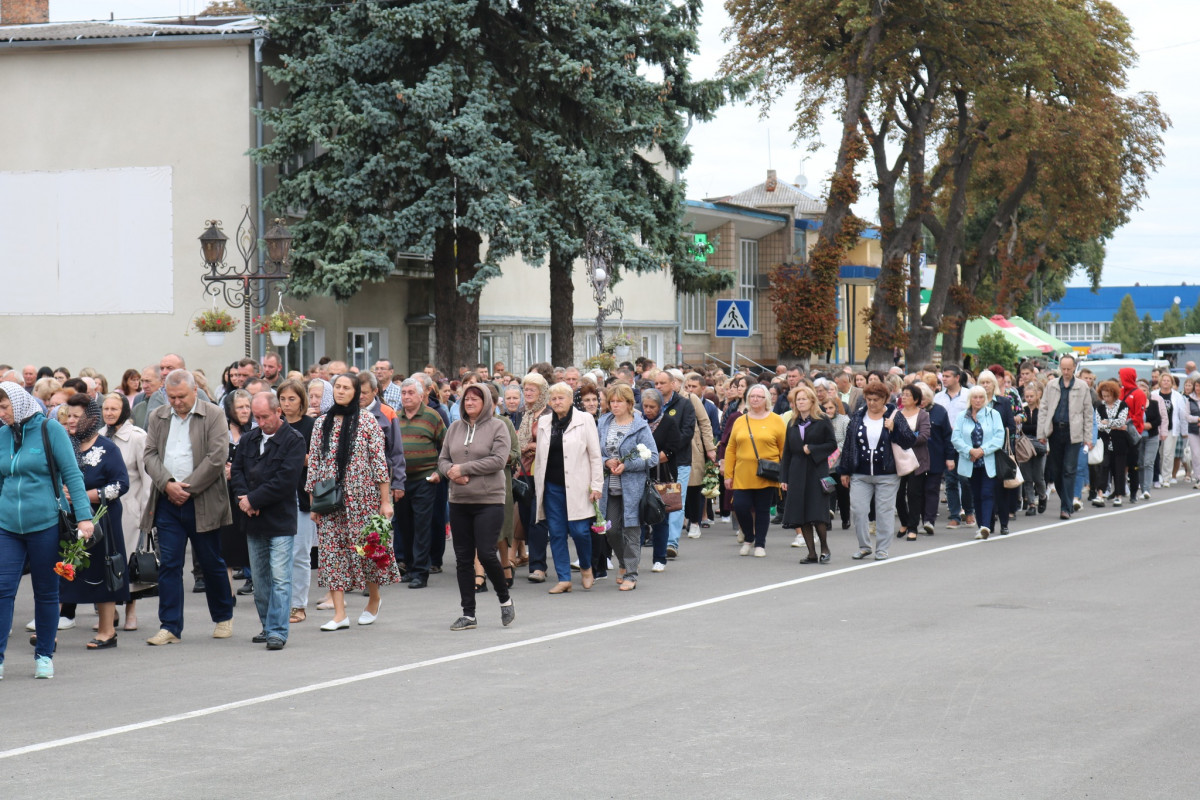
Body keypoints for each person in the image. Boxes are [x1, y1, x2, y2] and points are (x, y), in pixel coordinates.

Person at [0, 383, 95, 678]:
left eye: (4, 407)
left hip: (45, 523)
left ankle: (43, 654)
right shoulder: (1, 435)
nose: (0, 413)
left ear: (18, 402)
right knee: (3, 590)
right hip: (7, 526)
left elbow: (73, 476)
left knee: (46, 591)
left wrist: (84, 517)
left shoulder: (49, 430)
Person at [142, 369, 236, 646]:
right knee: (169, 564)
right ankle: (170, 626)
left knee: (211, 561)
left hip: (203, 500)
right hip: (167, 501)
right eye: (171, 396)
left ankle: (222, 616)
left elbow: (218, 457)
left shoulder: (214, 414)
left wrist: (188, 488)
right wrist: (168, 484)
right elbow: (150, 455)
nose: (176, 401)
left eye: (181, 396)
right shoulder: (157, 416)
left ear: (195, 391)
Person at [306, 374, 400, 630]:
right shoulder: (321, 423)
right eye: (337, 387)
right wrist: (313, 501)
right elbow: (313, 463)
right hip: (330, 500)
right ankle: (339, 614)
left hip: (364, 498)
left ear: (356, 392)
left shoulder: (367, 420)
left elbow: (380, 463)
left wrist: (385, 501)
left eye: (346, 387)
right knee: (332, 554)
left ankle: (374, 598)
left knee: (369, 551)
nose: (341, 391)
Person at [231, 392, 306, 650]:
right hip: (253, 520)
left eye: (265, 417)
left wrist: (253, 500)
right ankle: (266, 625)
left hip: (280, 520)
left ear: (278, 412)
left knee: (281, 578)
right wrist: (244, 500)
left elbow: (285, 481)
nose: (260, 422)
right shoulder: (249, 439)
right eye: (256, 417)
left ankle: (277, 631)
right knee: (261, 581)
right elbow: (237, 470)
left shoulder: (293, 440)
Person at [437, 384, 515, 630]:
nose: (469, 402)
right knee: (462, 558)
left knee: (486, 552)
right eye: (466, 399)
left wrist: (464, 468)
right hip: (459, 500)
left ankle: (504, 599)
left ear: (487, 403)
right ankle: (468, 614)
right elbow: (443, 459)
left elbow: (499, 460)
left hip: (488, 500)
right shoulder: (454, 428)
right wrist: (451, 472)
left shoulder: (498, 426)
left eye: (475, 399)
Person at [534, 382, 603, 594]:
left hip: (580, 486)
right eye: (553, 399)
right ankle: (564, 578)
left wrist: (597, 485)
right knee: (556, 533)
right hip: (552, 486)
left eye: (561, 398)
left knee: (580, 531)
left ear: (571, 400)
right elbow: (540, 456)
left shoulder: (585, 420)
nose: (557, 402)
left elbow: (595, 455)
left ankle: (585, 567)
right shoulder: (544, 421)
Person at [837, 381, 916, 559]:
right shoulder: (858, 416)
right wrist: (845, 470)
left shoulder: (894, 415)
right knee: (858, 510)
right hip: (860, 473)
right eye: (869, 399)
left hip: (887, 473)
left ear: (885, 399)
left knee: (884, 512)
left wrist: (894, 428)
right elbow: (850, 445)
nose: (872, 403)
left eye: (876, 399)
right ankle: (864, 546)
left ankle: (882, 548)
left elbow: (909, 440)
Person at [596, 384, 657, 590]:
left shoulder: (640, 426)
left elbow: (653, 457)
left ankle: (631, 574)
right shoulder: (604, 422)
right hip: (609, 486)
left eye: (619, 401)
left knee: (631, 529)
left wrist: (627, 465)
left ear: (629, 403)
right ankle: (624, 562)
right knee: (611, 531)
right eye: (612, 401)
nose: (615, 405)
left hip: (632, 488)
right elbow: (595, 451)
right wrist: (606, 461)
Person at [101, 392, 151, 631]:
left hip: (131, 511)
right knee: (105, 562)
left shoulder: (138, 437)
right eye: (106, 409)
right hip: (103, 511)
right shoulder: (98, 436)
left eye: (114, 409)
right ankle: (109, 613)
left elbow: (147, 476)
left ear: (124, 410)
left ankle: (131, 611)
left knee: (129, 562)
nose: (109, 413)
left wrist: (146, 510)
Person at [395, 377, 446, 590]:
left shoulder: (433, 417)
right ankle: (409, 566)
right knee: (404, 525)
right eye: (404, 393)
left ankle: (420, 573)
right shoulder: (394, 418)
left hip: (425, 479)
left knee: (422, 526)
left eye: (410, 393)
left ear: (421, 395)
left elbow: (446, 447)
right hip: (400, 480)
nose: (406, 397)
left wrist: (438, 472)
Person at [723, 384, 786, 557]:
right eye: (752, 396)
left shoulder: (776, 420)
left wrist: (784, 476)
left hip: (767, 474)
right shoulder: (740, 420)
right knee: (740, 506)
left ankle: (760, 543)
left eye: (759, 396)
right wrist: (728, 474)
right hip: (743, 473)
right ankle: (748, 538)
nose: (755, 399)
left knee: (762, 509)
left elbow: (783, 450)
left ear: (766, 399)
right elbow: (731, 448)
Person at [780, 385, 837, 564]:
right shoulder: (792, 422)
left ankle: (825, 547)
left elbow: (832, 445)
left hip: (816, 470)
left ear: (812, 401)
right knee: (801, 513)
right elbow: (787, 452)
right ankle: (811, 553)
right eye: (798, 399)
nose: (801, 402)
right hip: (797, 471)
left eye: (804, 399)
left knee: (817, 511)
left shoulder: (822, 420)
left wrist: (812, 449)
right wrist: (784, 478)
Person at [276, 379, 316, 623]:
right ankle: (281, 601)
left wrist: (299, 457)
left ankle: (298, 605)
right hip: (278, 496)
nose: (287, 404)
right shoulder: (275, 426)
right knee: (279, 553)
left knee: (300, 553)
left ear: (302, 400)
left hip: (303, 495)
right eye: (282, 399)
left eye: (292, 399)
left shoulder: (311, 425)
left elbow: (318, 459)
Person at [1037, 355, 1093, 520]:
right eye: (1064, 369)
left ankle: (1065, 508)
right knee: (1056, 470)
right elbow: (1044, 409)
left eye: (1069, 369)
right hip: (1055, 432)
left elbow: (1088, 414)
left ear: (1074, 368)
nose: (1066, 372)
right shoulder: (1052, 385)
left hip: (1073, 433)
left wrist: (1088, 437)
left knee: (1069, 470)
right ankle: (1067, 502)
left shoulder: (1082, 386)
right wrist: (1042, 433)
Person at [952, 386, 1007, 539]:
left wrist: (982, 450)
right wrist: (970, 450)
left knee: (987, 492)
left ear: (985, 399)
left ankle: (985, 526)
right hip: (970, 461)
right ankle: (981, 525)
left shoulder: (993, 414)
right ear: (970, 399)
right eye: (975, 397)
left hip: (988, 460)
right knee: (975, 494)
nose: (978, 400)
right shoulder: (962, 416)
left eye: (981, 397)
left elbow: (998, 437)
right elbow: (956, 439)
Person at [654, 370, 696, 559]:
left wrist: (669, 451)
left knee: (676, 500)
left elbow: (687, 432)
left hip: (679, 460)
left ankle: (671, 542)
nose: (659, 386)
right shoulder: (650, 405)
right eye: (656, 383)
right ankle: (658, 539)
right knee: (656, 500)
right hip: (655, 462)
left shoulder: (685, 405)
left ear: (673, 384)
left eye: (662, 383)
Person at [641, 388, 682, 573]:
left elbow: (673, 448)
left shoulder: (668, 422)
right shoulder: (638, 422)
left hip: (662, 476)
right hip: (640, 475)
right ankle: (631, 558)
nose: (648, 410)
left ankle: (659, 558)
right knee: (639, 517)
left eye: (652, 407)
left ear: (660, 406)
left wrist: (650, 459)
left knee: (660, 517)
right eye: (645, 406)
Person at [516, 373, 551, 581]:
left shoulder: (549, 414)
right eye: (525, 389)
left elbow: (553, 441)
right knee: (525, 515)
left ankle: (538, 567)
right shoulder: (523, 413)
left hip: (543, 472)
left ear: (542, 393)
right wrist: (524, 447)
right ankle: (533, 557)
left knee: (538, 518)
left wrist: (535, 446)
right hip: (523, 472)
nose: (527, 393)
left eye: (532, 390)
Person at [221, 389, 254, 597]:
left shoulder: (254, 432)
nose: (244, 411)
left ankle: (259, 588)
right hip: (223, 496)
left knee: (250, 544)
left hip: (247, 494)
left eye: (247, 407)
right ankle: (227, 594)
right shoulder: (219, 432)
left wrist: (237, 471)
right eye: (239, 407)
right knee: (225, 545)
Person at [934, 365, 974, 529]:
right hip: (946, 442)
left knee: (965, 479)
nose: (944, 379)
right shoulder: (938, 398)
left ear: (957, 378)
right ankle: (954, 515)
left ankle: (969, 511)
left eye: (948, 376)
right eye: (943, 376)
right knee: (950, 480)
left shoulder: (968, 395)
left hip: (965, 442)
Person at [892, 384, 931, 542]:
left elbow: (924, 435)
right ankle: (904, 521)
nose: (904, 397)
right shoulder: (896, 413)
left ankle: (913, 527)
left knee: (914, 494)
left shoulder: (923, 415)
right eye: (903, 394)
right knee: (898, 494)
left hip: (916, 460)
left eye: (908, 395)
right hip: (898, 459)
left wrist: (904, 438)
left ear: (916, 399)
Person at [1093, 380, 1130, 507]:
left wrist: (1107, 422)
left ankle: (1119, 495)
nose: (1106, 398)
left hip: (1119, 442)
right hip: (1104, 441)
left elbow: (1121, 422)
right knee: (1103, 467)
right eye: (1104, 396)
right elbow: (1097, 424)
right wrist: (1112, 424)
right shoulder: (1099, 407)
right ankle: (1100, 493)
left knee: (1119, 468)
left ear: (1114, 394)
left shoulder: (1122, 405)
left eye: (1108, 396)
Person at [1151, 372, 1187, 487]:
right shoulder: (1154, 394)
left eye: (1168, 381)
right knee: (1158, 453)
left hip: (1172, 428)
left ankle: (1166, 477)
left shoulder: (1177, 396)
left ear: (1172, 383)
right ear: (1160, 382)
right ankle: (1159, 475)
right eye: (1164, 380)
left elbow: (1182, 414)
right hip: (1157, 428)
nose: (1166, 382)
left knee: (1168, 453)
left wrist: (1184, 430)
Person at [822, 395, 852, 530]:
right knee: (827, 491)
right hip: (825, 464)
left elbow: (848, 439)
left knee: (842, 493)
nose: (828, 410)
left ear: (836, 408)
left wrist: (837, 450)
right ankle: (827, 520)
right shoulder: (820, 421)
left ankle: (846, 518)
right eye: (825, 408)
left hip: (840, 463)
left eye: (831, 407)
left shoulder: (844, 420)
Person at [1019, 382, 1048, 516]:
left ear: (1037, 396)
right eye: (1027, 396)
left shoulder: (1042, 410)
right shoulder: (1022, 410)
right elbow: (1021, 428)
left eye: (1031, 396)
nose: (1029, 399)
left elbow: (1043, 428)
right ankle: (1031, 503)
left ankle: (1042, 496)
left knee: (1038, 476)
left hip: (1039, 444)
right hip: (1025, 445)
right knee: (1027, 476)